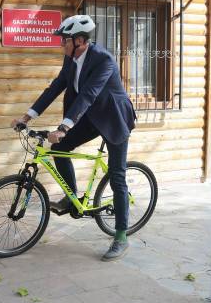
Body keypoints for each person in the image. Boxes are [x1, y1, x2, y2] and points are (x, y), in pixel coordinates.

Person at [12, 15, 137, 261]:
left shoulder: (103, 60)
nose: (61, 45)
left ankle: (121, 236)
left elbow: (88, 95)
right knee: (61, 149)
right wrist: (27, 117)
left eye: (64, 41)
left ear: (79, 41)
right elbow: (55, 87)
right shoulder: (71, 59)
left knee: (117, 176)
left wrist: (64, 127)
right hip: (90, 117)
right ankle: (73, 198)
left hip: (113, 118)